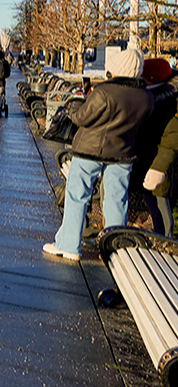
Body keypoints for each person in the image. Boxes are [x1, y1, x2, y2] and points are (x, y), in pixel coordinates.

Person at [45, 47, 153, 262]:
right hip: (123, 153)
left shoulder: (105, 92)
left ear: (117, 69)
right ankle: (114, 251)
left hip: (91, 150)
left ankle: (69, 246)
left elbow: (82, 117)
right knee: (116, 200)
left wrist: (75, 104)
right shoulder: (146, 97)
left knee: (77, 195)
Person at [132, 59, 178, 237]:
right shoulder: (155, 96)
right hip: (148, 158)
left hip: (162, 165)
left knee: (161, 204)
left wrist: (159, 168)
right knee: (153, 201)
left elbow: (172, 137)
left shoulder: (170, 102)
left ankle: (165, 239)